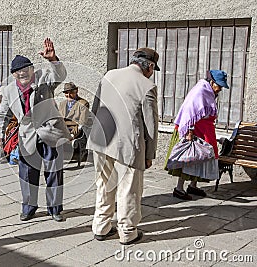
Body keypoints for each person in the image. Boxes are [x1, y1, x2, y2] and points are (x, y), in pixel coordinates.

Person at [87, 48, 159, 245]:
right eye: (153, 68)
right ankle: (127, 231)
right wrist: (150, 153)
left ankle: (101, 226)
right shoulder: (147, 85)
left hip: (102, 139)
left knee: (104, 184)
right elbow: (151, 125)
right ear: (149, 66)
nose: (152, 72)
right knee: (128, 188)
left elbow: (95, 108)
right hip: (128, 145)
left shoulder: (109, 75)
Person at [0, 38, 70, 222]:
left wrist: (53, 60)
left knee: (54, 172)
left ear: (31, 70)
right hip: (27, 136)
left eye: (26, 70)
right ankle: (29, 207)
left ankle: (55, 209)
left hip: (50, 132)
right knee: (27, 174)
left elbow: (60, 75)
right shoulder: (9, 90)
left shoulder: (44, 78)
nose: (23, 74)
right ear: (13, 75)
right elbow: (2, 114)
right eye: (18, 72)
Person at [165, 70, 229, 200]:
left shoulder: (209, 92)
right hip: (193, 131)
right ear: (212, 82)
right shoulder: (200, 91)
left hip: (204, 131)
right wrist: (189, 131)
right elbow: (189, 112)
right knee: (188, 159)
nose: (220, 89)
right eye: (219, 86)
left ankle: (193, 186)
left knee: (201, 158)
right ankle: (179, 188)